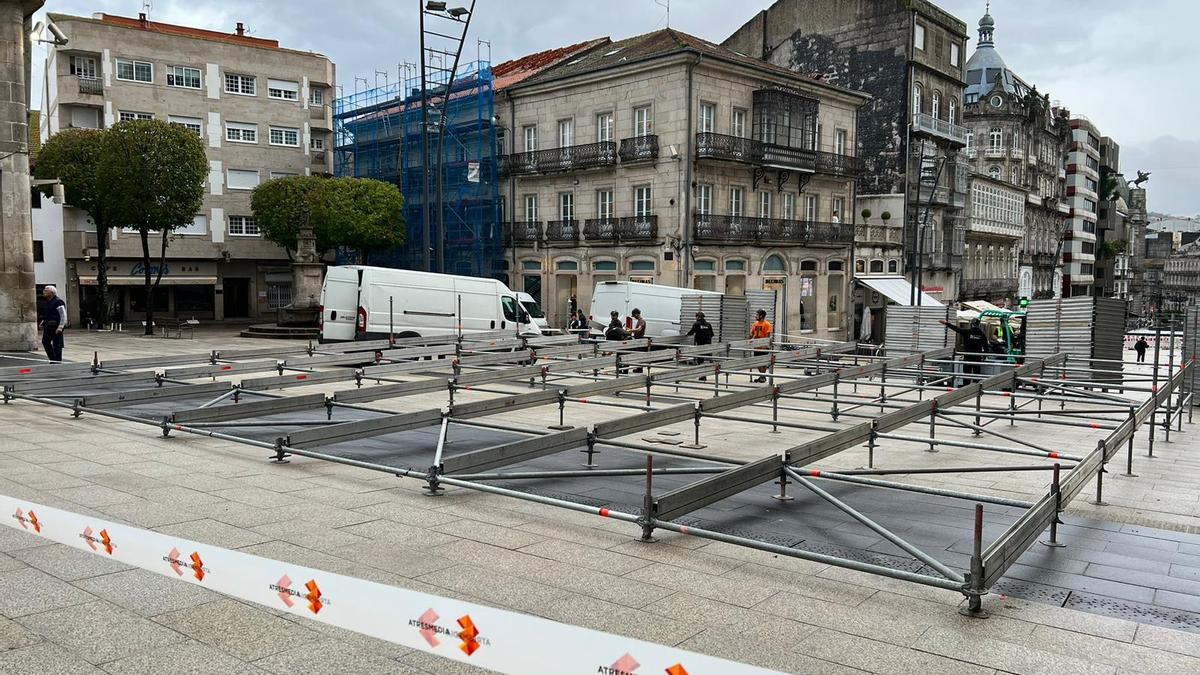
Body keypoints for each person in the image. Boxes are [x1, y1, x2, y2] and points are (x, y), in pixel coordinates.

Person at [940, 317, 989, 386]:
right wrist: (984, 356)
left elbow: (957, 329)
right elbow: (986, 346)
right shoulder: (982, 334)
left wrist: (947, 323)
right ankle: (976, 389)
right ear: (979, 324)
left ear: (971, 324)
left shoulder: (967, 332)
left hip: (968, 356)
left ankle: (966, 389)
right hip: (977, 357)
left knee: (966, 375)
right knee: (977, 375)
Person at [38, 285, 67, 362]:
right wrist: (43, 321)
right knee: (45, 341)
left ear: (52, 292)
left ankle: (57, 360)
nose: (44, 291)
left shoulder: (58, 302)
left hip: (56, 326)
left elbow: (63, 315)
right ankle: (52, 359)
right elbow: (48, 314)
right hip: (48, 326)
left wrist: (61, 326)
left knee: (57, 345)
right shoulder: (47, 302)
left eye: (46, 290)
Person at [685, 311, 715, 380]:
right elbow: (712, 334)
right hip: (708, 345)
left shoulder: (697, 324)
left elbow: (691, 332)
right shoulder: (708, 324)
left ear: (698, 317)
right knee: (707, 359)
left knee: (700, 359)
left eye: (696, 317)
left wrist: (687, 334)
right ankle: (705, 373)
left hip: (700, 344)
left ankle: (702, 375)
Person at [749, 309, 773, 383]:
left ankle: (762, 377)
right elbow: (751, 334)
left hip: (764, 347)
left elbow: (767, 336)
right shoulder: (755, 324)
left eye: (757, 315)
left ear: (761, 316)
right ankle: (762, 376)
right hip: (756, 346)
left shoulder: (767, 324)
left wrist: (765, 345)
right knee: (757, 363)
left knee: (763, 363)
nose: (755, 316)